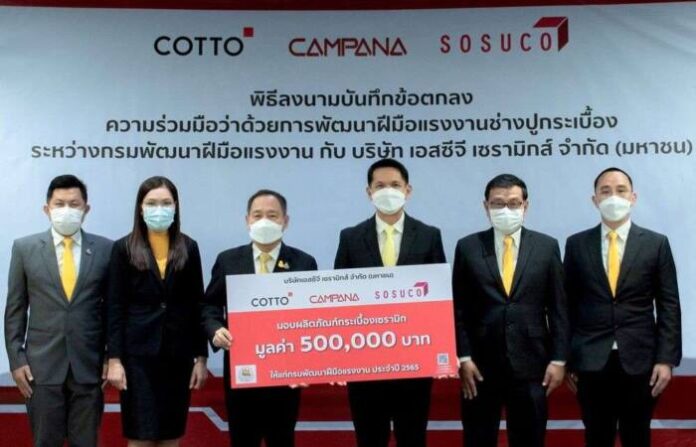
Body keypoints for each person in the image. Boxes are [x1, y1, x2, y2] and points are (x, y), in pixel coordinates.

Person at [564, 167, 681, 447]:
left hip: (641, 360)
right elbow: (566, 305)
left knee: (637, 435)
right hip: (590, 359)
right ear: (595, 200)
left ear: (633, 197)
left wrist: (665, 359)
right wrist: (566, 358)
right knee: (596, 435)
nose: (613, 197)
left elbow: (668, 305)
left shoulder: (656, 244)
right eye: (605, 191)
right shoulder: (576, 244)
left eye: (620, 190)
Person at [333, 158, 446, 447]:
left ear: (408, 190)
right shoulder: (350, 237)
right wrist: (340, 358)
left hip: (415, 361)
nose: (388, 191)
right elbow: (339, 300)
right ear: (368, 192)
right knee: (370, 439)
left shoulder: (429, 236)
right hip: (365, 362)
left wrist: (440, 352)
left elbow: (439, 299)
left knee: (413, 438)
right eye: (380, 186)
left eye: (395, 185)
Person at [452, 174, 569, 447]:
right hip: (479, 366)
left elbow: (558, 307)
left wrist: (559, 359)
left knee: (529, 439)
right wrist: (463, 357)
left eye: (514, 203)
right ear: (486, 206)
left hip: (532, 365)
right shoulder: (468, 247)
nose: (506, 209)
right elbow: (459, 308)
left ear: (526, 206)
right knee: (478, 439)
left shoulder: (546, 246)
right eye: (498, 203)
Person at [201, 189, 317, 447]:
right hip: (242, 371)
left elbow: (312, 317)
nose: (264, 221)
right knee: (243, 440)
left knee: (282, 439)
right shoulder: (229, 260)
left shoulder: (304, 263)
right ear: (247, 220)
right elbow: (209, 306)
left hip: (286, 375)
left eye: (272, 215)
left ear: (286, 221)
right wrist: (215, 329)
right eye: (258, 215)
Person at [4, 174, 112, 447]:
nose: (67, 210)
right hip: (40, 369)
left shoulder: (106, 249)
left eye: (74, 204)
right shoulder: (25, 248)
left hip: (89, 367)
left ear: (86, 209)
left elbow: (112, 309)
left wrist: (110, 356)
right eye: (59, 204)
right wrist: (16, 360)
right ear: (47, 208)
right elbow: (15, 309)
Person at [106, 176, 208, 447]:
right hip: (137, 358)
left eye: (165, 203)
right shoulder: (123, 248)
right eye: (151, 203)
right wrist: (114, 359)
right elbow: (114, 307)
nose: (159, 209)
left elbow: (197, 303)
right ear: (140, 208)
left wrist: (201, 358)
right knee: (140, 436)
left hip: (178, 356)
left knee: (170, 436)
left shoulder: (189, 247)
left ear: (175, 207)